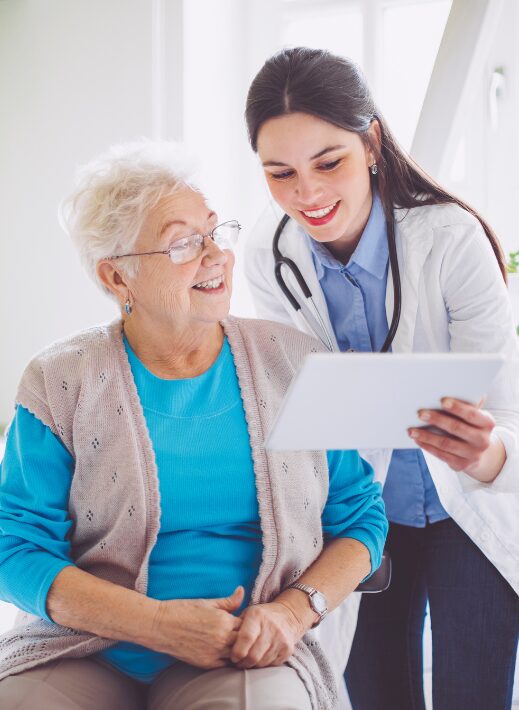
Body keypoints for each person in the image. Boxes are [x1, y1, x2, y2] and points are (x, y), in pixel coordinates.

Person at [0, 140, 387, 710]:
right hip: (85, 648)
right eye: (182, 242)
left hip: (244, 653)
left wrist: (291, 611)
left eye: (214, 232)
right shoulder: (62, 381)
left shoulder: (293, 362)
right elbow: (16, 546)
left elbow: (360, 519)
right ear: (118, 277)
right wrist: (154, 623)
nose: (215, 255)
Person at [244, 47, 519, 710]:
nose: (306, 194)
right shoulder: (269, 254)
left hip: (468, 515)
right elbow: (303, 407)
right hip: (357, 521)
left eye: (328, 162)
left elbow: (507, 409)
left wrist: (487, 455)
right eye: (279, 173)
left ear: (369, 145)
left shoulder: (449, 239)